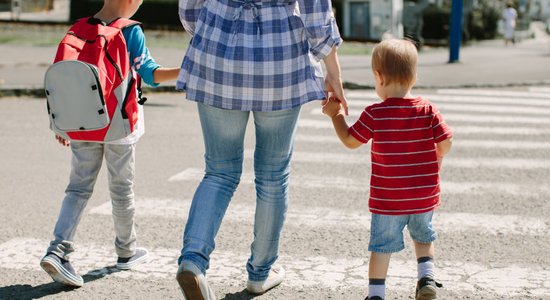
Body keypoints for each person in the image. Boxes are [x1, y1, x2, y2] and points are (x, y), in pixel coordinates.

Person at [176, 0, 347, 299]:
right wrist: (332, 70)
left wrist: (207, 32)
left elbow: (190, 6)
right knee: (272, 176)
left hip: (219, 48)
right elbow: (315, 8)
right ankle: (261, 273)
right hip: (279, 54)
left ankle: (193, 261)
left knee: (218, 172)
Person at [39, 0, 180, 287]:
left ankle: (58, 249)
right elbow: (151, 74)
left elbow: (66, 81)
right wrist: (188, 69)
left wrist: (63, 124)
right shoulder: (130, 32)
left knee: (77, 188)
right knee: (121, 190)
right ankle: (126, 251)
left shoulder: (78, 29)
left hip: (82, 124)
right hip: (119, 126)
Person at [322, 38, 453, 300]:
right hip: (423, 196)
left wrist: (335, 115)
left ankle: (376, 294)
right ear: (413, 76)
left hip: (388, 200)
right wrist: (437, 157)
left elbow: (350, 141)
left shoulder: (375, 113)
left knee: (381, 247)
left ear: (379, 77)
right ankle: (426, 278)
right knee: (424, 238)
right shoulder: (428, 110)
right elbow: (447, 142)